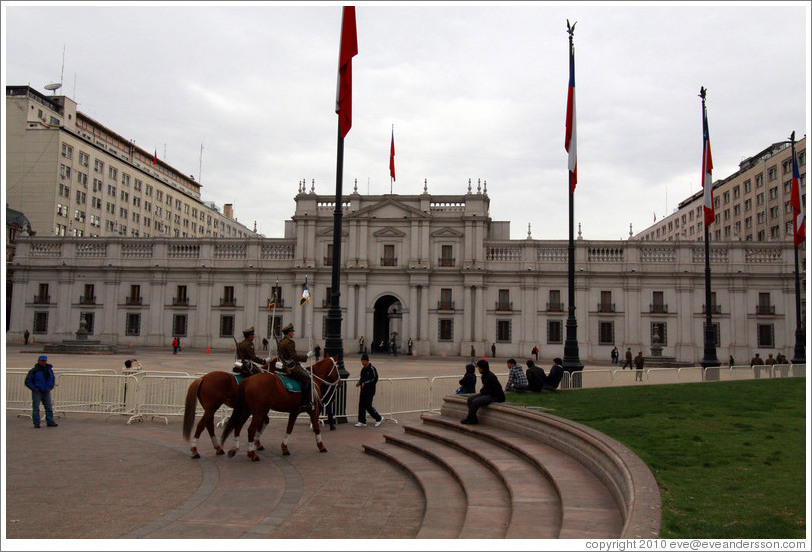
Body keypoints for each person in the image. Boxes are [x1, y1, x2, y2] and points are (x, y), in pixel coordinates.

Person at [277, 323, 314, 411]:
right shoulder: (290, 342)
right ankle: (304, 402)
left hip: (283, 365)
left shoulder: (281, 342)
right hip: (291, 367)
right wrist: (306, 356)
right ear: (289, 333)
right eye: (292, 332)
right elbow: (294, 356)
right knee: (308, 379)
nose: (293, 333)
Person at [461, 359, 505, 425]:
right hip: (487, 393)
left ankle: (470, 419)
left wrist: (482, 393)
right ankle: (473, 418)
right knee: (470, 399)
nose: (478, 369)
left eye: (479, 368)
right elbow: (485, 389)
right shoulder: (484, 376)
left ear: (483, 368)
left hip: (495, 395)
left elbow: (492, 389)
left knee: (475, 402)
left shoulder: (490, 376)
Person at [25, 355, 58, 428]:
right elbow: (28, 381)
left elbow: (52, 379)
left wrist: (51, 387)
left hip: (46, 391)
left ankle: (50, 421)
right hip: (37, 391)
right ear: (38, 361)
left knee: (49, 406)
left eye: (44, 360)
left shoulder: (49, 370)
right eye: (42, 360)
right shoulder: (34, 370)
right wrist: (34, 388)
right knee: (36, 407)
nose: (43, 362)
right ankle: (36, 423)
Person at [355, 353, 383, 427]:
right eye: (362, 361)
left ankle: (378, 418)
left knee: (368, 405)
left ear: (367, 361)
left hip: (370, 390)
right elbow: (362, 378)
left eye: (364, 361)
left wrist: (366, 383)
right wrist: (359, 383)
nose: (362, 363)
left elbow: (375, 378)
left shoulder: (372, 369)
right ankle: (362, 421)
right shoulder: (363, 369)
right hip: (363, 390)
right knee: (361, 405)